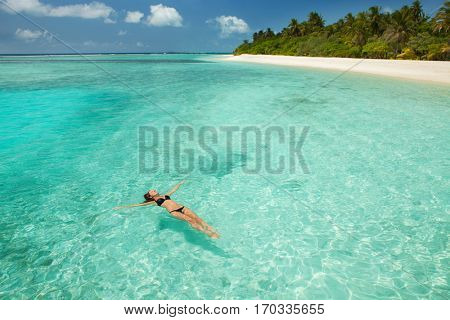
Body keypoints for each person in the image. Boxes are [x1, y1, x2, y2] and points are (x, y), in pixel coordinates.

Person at [114, 181, 219, 238]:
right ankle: (207, 233)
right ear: (150, 196)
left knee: (197, 218)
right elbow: (138, 205)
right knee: (190, 220)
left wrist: (180, 183)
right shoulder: (154, 201)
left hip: (182, 207)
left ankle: (211, 229)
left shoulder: (165, 195)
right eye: (152, 191)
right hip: (174, 212)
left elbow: (173, 190)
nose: (154, 190)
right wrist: (122, 207)